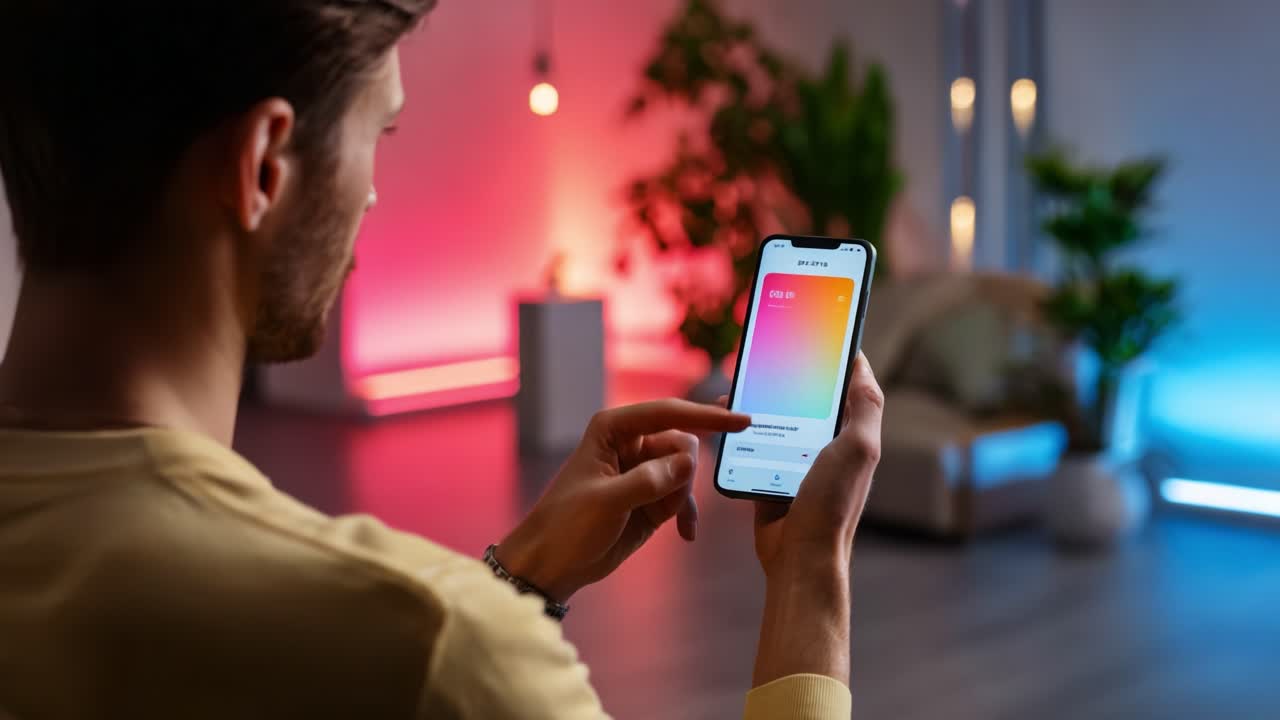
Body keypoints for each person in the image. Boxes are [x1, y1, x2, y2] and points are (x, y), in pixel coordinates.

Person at [0, 2, 883, 718]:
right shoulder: (445, 656)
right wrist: (809, 575)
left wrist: (520, 578)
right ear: (266, 164)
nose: (376, 189)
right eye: (379, 135)